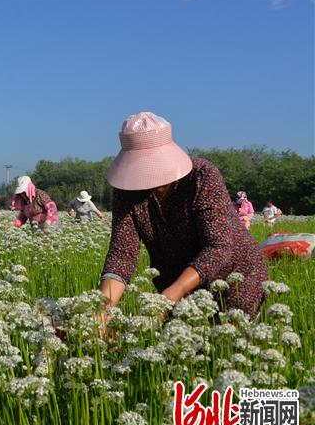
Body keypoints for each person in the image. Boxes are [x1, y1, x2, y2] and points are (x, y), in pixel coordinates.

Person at [98, 112, 268, 320]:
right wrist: (103, 308)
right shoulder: (126, 191)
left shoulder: (201, 176)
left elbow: (218, 247)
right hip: (174, 282)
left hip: (234, 277)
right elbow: (121, 254)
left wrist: (175, 292)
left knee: (227, 346)